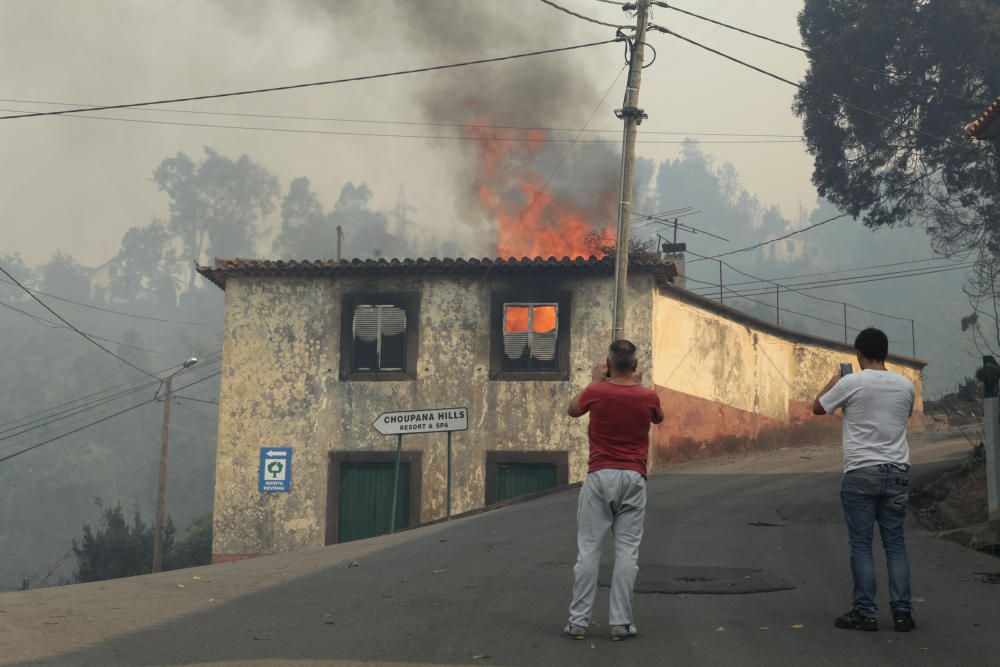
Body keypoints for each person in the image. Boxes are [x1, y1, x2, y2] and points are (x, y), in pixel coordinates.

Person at [812, 327, 917, 633]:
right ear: (885, 352)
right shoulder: (906, 385)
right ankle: (903, 613)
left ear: (859, 355)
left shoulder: (851, 381)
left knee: (861, 545)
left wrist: (837, 379)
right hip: (897, 471)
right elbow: (902, 417)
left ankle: (865, 613)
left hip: (861, 472)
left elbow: (818, 407)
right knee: (895, 544)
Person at [563, 339, 664, 642]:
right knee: (627, 553)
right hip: (633, 477)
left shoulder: (596, 391)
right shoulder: (649, 396)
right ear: (634, 365)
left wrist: (595, 380)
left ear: (608, 365)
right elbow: (658, 417)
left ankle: (578, 622)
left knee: (589, 550)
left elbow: (572, 410)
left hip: (600, 474)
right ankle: (621, 623)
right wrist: (639, 383)